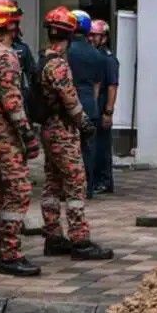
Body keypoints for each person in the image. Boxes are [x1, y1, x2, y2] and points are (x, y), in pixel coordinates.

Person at [37, 7, 111, 261]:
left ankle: (53, 235)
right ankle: (80, 240)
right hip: (63, 129)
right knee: (76, 183)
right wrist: (86, 125)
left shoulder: (42, 59)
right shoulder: (58, 64)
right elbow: (70, 101)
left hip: (48, 128)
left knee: (52, 182)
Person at [0, 0, 41, 277]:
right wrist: (28, 134)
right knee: (18, 190)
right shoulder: (7, 56)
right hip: (3, 131)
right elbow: (12, 100)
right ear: (8, 24)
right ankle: (11, 254)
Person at [65, 11, 107, 200]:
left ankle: (69, 188)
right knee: (87, 148)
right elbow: (97, 85)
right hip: (90, 105)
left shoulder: (66, 51)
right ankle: (87, 187)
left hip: (69, 105)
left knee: (68, 148)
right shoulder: (96, 55)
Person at [89, 19, 119, 194]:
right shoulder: (95, 55)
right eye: (90, 35)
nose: (91, 38)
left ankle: (104, 181)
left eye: (95, 35)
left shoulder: (108, 59)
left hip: (102, 104)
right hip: (95, 102)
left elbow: (112, 86)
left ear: (105, 38)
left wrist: (108, 111)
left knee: (102, 145)